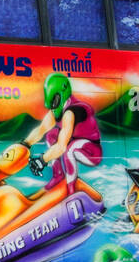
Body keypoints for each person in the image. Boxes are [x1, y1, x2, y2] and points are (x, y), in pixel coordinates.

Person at [23, 72, 102, 200]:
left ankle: (71, 190)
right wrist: (25, 144)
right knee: (51, 136)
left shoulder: (70, 112)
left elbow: (61, 147)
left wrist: (42, 160)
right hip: (75, 142)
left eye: (55, 99)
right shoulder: (57, 110)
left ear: (62, 94)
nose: (53, 105)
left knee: (69, 149)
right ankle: (57, 176)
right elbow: (40, 130)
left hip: (92, 151)